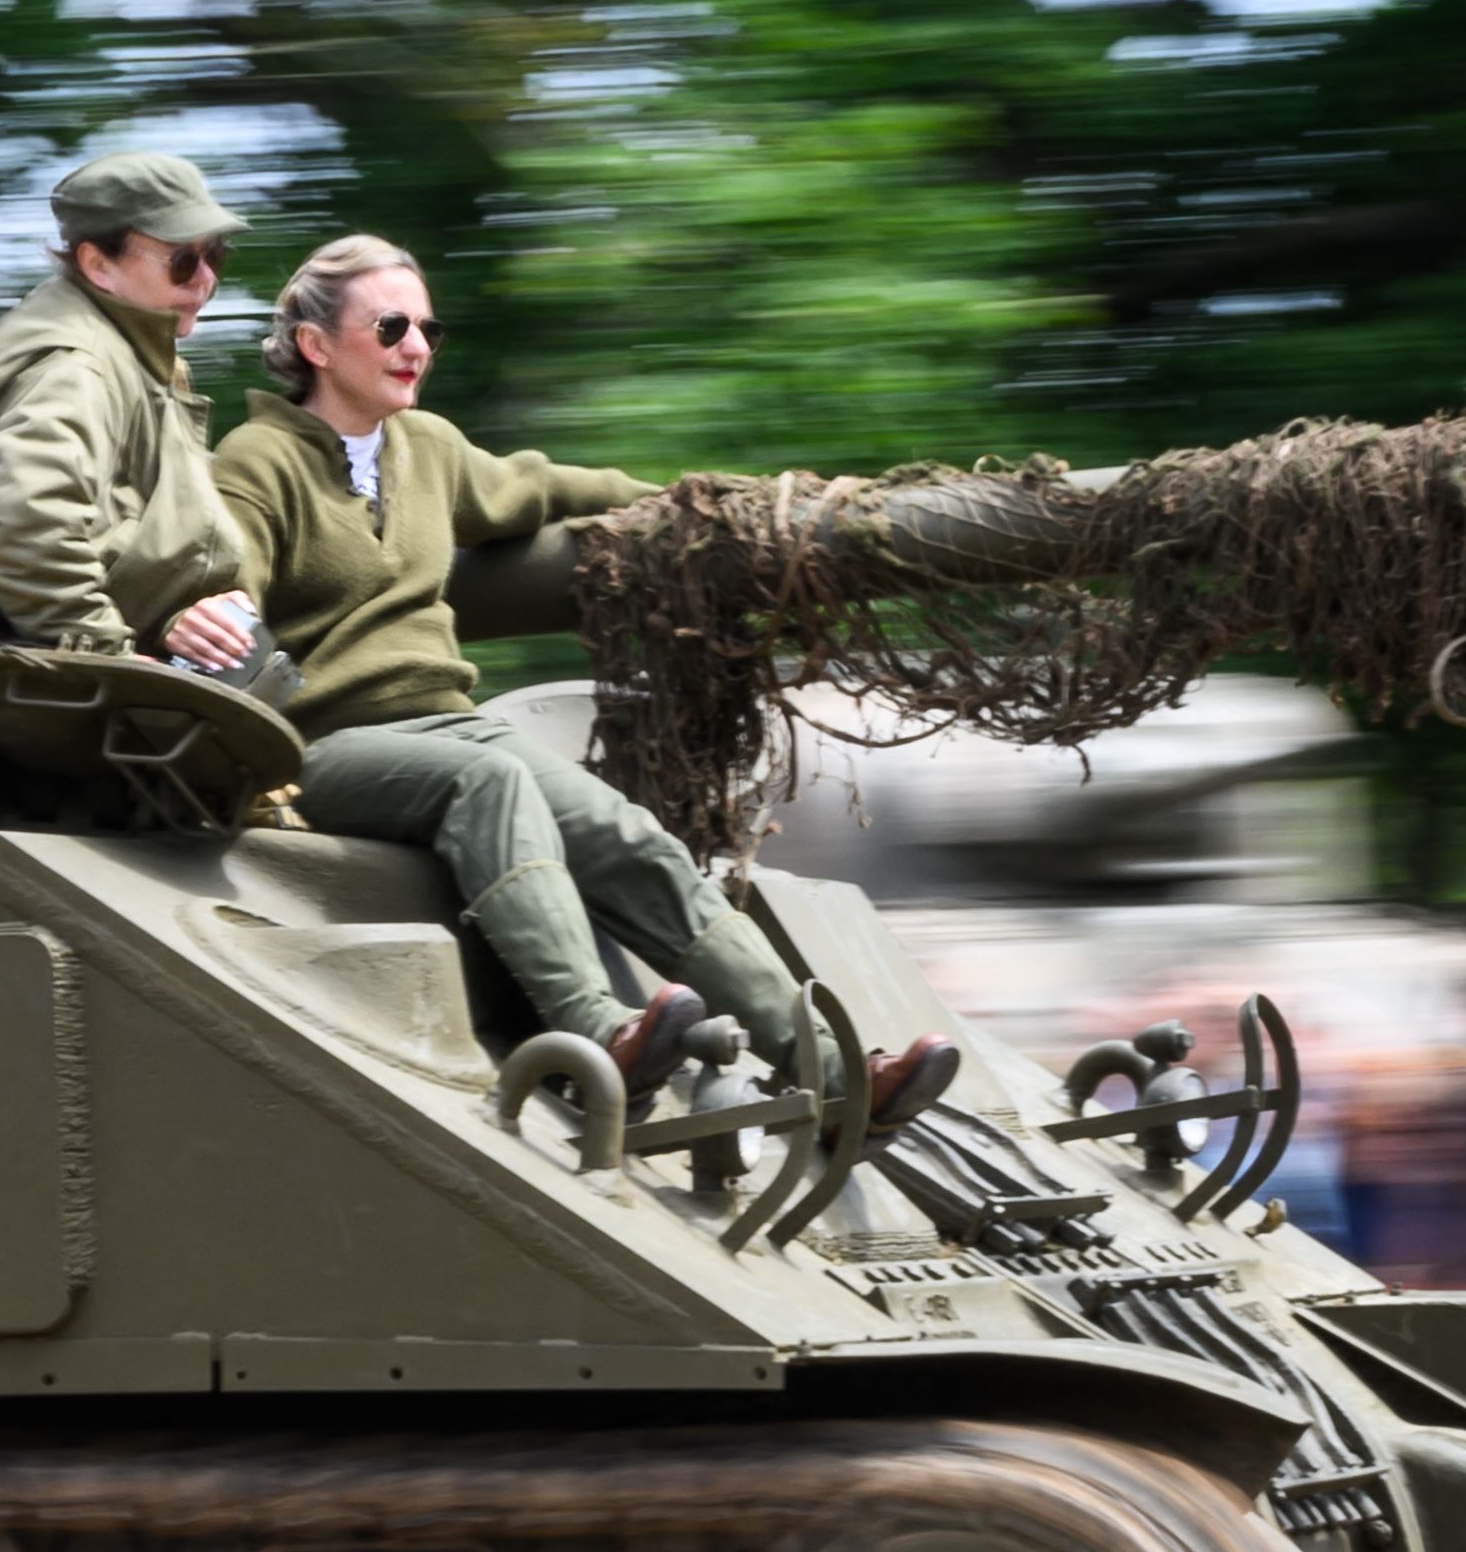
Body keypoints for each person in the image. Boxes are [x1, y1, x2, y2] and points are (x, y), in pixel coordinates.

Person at [199, 233, 950, 1126]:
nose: (417, 348)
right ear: (316, 346)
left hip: (443, 720)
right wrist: (209, 606)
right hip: (320, 744)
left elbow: (545, 486)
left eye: (430, 330)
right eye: (392, 325)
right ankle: (596, 1031)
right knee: (490, 783)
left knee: (623, 833)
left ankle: (831, 1070)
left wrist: (716, 510)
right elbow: (221, 572)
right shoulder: (258, 457)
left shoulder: (425, 448)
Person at [0, 151, 279, 789]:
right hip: (18, 710)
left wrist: (177, 616)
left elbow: (111, 532)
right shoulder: (76, 364)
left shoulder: (122, 350)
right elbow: (30, 532)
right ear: (98, 264)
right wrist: (117, 666)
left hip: (39, 688)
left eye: (214, 256)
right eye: (182, 260)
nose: (206, 281)